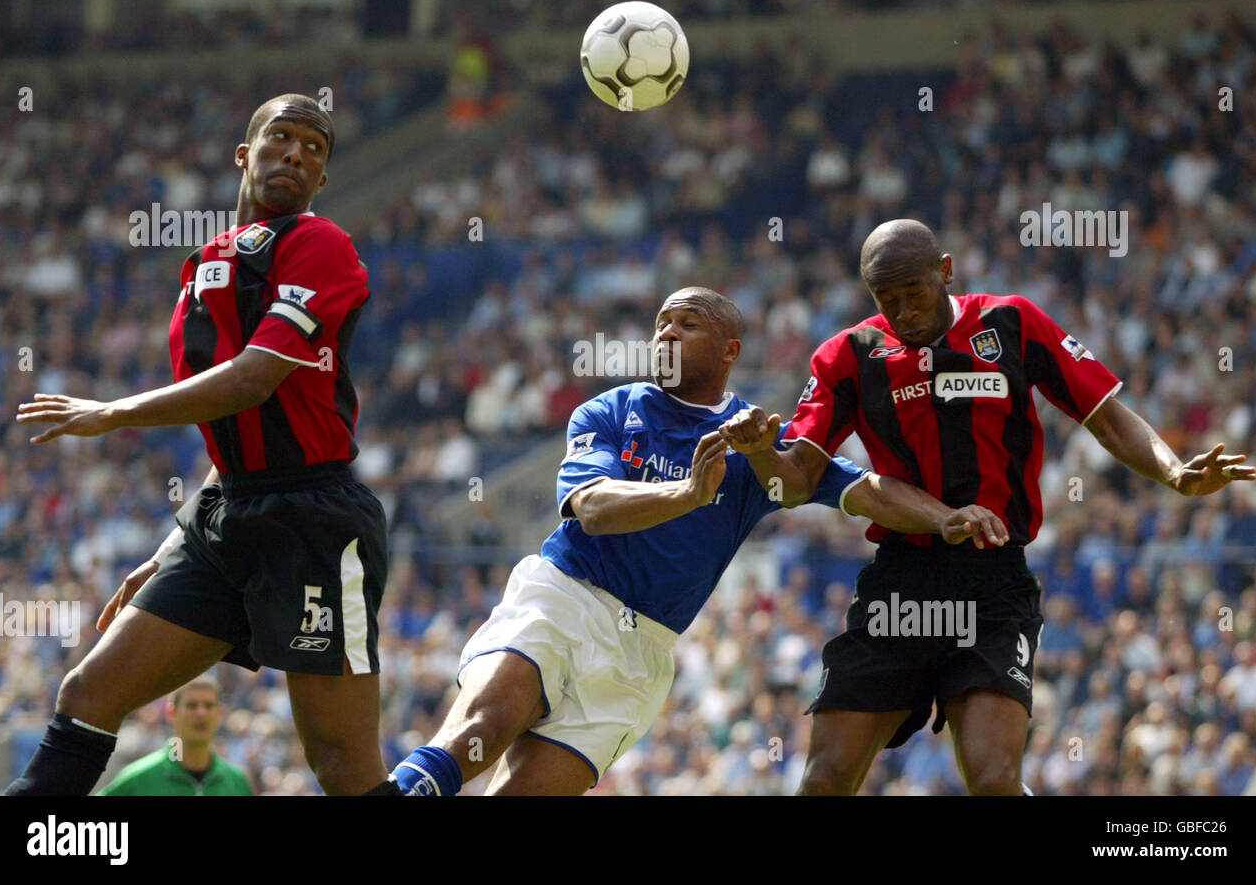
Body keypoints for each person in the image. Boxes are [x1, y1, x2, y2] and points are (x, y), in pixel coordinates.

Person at [392, 286, 1009, 796]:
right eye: (661, 323)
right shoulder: (610, 410)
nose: (666, 334)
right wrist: (687, 494)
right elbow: (595, 509)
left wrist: (943, 517)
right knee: (483, 726)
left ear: (730, 349)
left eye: (688, 324)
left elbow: (864, 489)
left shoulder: (757, 443)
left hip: (644, 653)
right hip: (563, 598)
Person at [719, 218, 1256, 795]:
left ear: (945, 271)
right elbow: (795, 482)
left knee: (994, 779)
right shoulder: (848, 356)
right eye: (887, 299)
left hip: (993, 583)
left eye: (914, 293)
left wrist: (1174, 472)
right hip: (900, 583)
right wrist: (757, 453)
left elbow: (1105, 417)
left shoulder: (1013, 323)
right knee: (823, 780)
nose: (903, 311)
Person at [7, 94, 396, 797]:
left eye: (315, 148)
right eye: (283, 137)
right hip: (224, 518)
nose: (299, 155)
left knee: (341, 766)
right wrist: (167, 549)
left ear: (323, 179)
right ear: (246, 155)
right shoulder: (203, 267)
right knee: (89, 691)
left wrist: (111, 412)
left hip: (313, 519)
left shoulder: (320, 245)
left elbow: (251, 383)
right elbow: (234, 441)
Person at [97, 676, 252, 796]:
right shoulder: (139, 779)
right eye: (192, 705)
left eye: (208, 706)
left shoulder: (237, 782)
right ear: (172, 713)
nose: (201, 713)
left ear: (220, 714)